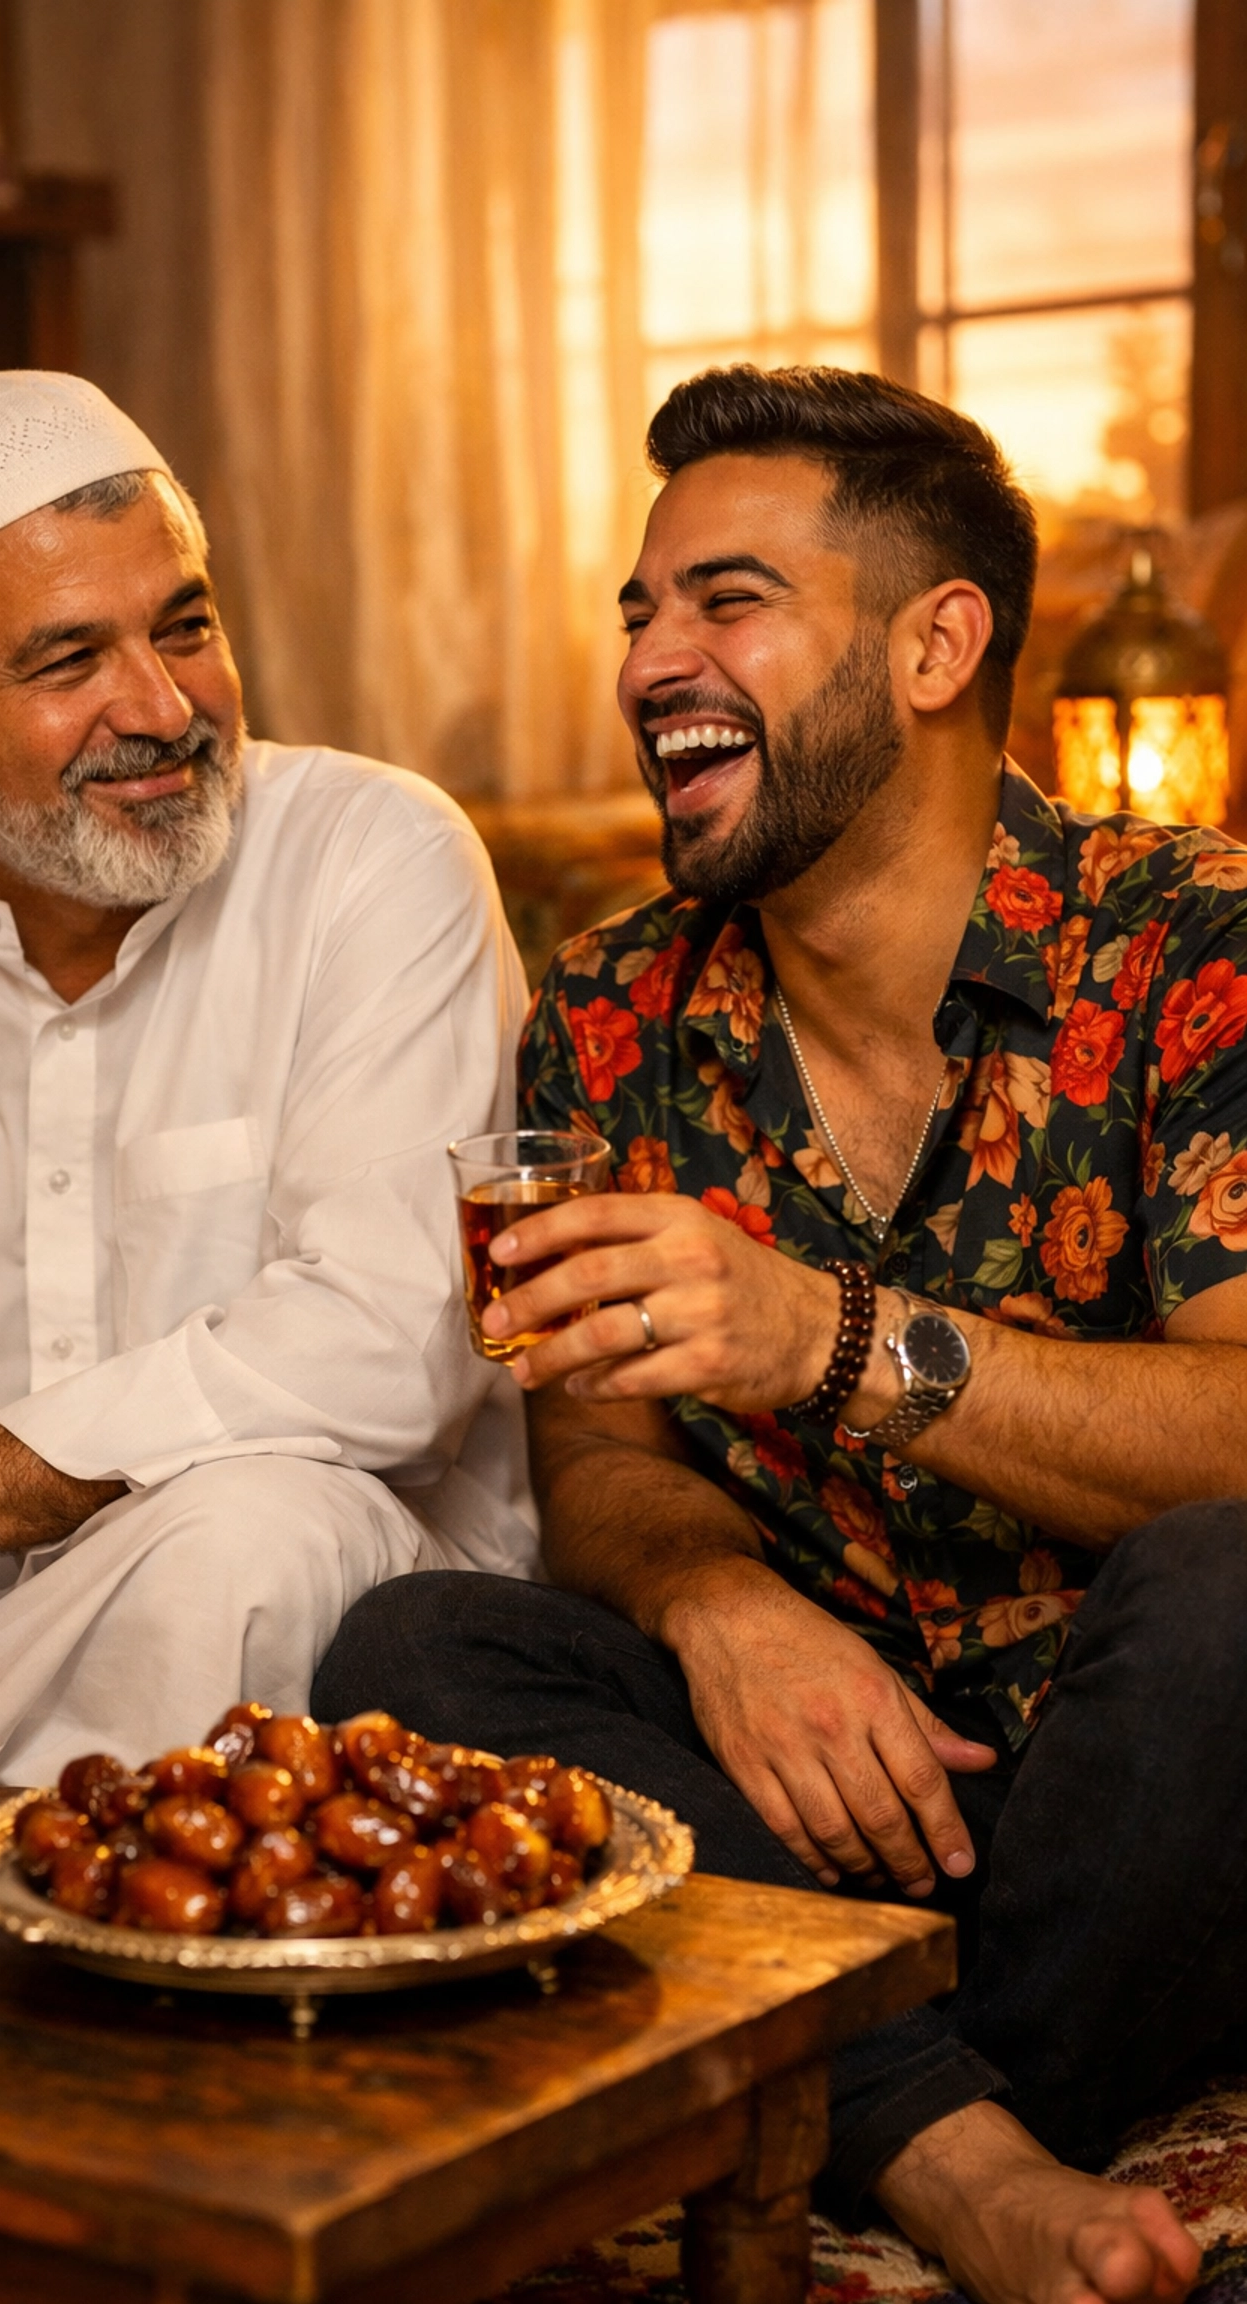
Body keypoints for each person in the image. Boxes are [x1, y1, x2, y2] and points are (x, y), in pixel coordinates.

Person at [315, 366, 1247, 2304]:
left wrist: (823, 1337)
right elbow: (589, 1454)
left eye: (725, 601)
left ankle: (874, 2097)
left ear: (934, 643)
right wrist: (718, 1611)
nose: (654, 657)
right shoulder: (606, 1015)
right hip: (784, 1793)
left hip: (1125, 1793)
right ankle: (965, 2141)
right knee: (412, 1643)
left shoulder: (1190, 946)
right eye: (640, 611)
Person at [0, 368, 533, 1796]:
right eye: (66, 661)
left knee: (252, 1537)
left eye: (187, 626)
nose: (161, 707)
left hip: (348, 1609)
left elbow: (391, 1345)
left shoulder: (374, 857)